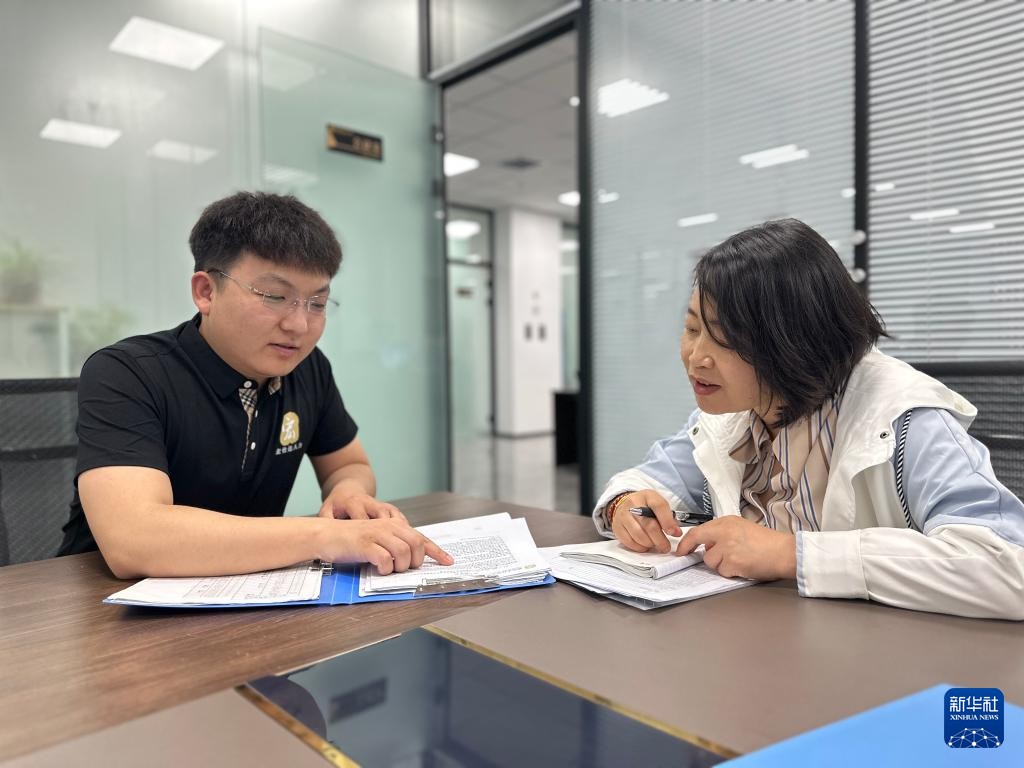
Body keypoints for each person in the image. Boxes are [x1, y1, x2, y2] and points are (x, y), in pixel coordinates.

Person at [594, 218, 1024, 620]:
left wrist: (791, 554)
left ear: (793, 341)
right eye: (692, 330)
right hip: (753, 640)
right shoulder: (734, 415)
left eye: (724, 338)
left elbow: (1005, 565)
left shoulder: (904, 419)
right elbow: (647, 480)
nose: (696, 357)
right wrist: (624, 505)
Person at [58, 191, 452, 579]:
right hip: (101, 604)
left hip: (251, 593)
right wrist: (325, 535)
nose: (299, 325)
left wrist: (350, 493)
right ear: (206, 292)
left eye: (317, 303)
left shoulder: (308, 368)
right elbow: (135, 539)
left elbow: (349, 464)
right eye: (275, 296)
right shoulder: (128, 373)